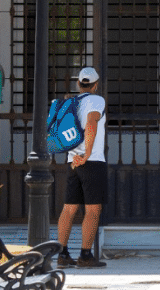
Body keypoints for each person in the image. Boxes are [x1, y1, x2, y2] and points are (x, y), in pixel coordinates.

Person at [56, 67, 107, 268]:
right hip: (91, 161)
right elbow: (92, 123)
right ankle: (85, 256)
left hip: (72, 161)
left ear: (79, 84)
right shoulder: (97, 100)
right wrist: (86, 154)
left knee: (68, 209)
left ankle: (62, 254)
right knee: (93, 210)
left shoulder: (70, 102)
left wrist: (77, 156)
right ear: (95, 85)